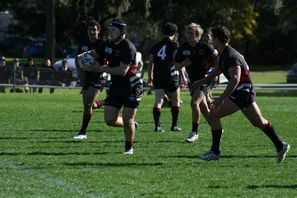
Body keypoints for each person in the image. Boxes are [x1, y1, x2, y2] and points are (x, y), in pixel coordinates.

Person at [191, 26, 290, 162]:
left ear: (216, 39)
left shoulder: (230, 55)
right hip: (245, 92)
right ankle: (280, 145)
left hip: (241, 93)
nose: (210, 39)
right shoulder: (224, 53)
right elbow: (220, 69)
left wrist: (220, 100)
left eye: (212, 37)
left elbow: (235, 79)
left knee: (213, 114)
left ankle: (214, 152)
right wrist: (203, 80)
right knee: (259, 122)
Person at [89, 18, 143, 154]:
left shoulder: (128, 47)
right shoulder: (108, 44)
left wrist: (100, 68)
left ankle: (129, 147)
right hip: (117, 86)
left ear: (122, 32)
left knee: (127, 119)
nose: (110, 32)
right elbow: (94, 54)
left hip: (132, 86)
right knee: (109, 120)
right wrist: (82, 57)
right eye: (110, 30)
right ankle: (132, 125)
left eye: (114, 30)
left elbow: (122, 70)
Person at [175, 23, 219, 143]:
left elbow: (216, 56)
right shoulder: (183, 48)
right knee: (203, 108)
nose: (189, 35)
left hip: (205, 79)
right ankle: (216, 126)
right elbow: (176, 65)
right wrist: (183, 64)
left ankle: (194, 132)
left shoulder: (204, 46)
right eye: (188, 33)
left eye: (192, 33)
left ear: (198, 35)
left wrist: (215, 72)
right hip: (192, 81)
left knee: (194, 103)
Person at [73, 19, 106, 140]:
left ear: (99, 31)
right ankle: (104, 102)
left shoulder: (103, 44)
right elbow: (78, 59)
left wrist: (99, 68)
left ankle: (83, 132)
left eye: (94, 30)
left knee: (88, 105)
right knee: (88, 106)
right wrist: (80, 74)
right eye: (90, 29)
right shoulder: (82, 43)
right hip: (86, 77)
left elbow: (108, 61)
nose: (92, 32)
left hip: (98, 76)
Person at [148, 22, 182, 132]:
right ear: (175, 33)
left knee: (158, 100)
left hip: (158, 76)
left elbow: (150, 62)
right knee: (176, 99)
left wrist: (150, 76)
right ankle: (174, 125)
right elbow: (176, 59)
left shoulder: (156, 46)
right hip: (170, 75)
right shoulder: (174, 45)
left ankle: (157, 126)